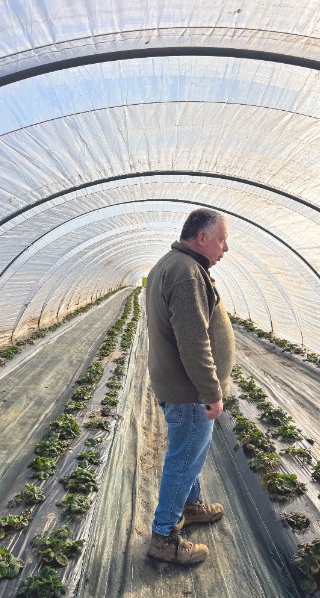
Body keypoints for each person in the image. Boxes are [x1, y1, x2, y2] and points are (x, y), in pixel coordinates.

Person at [143, 207, 234, 565]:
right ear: (202, 238)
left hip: (178, 387)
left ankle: (192, 506)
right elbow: (193, 342)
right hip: (190, 393)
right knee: (183, 459)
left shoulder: (173, 265)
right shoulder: (186, 274)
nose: (225, 248)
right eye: (222, 240)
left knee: (190, 454)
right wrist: (211, 393)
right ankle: (164, 535)